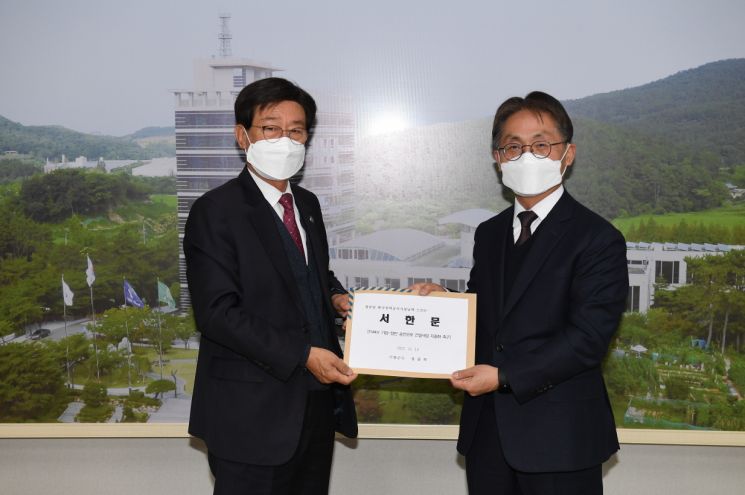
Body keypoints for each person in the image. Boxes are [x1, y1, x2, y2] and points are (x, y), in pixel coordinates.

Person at [414, 91, 628, 494]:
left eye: (541, 144)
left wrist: (504, 376)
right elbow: (488, 312)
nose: (526, 155)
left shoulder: (598, 238)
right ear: (498, 158)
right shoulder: (490, 233)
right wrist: (447, 305)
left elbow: (588, 339)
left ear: (568, 154)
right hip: (488, 433)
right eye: (513, 146)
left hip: (560, 438)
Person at [183, 77, 357, 495]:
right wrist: (301, 355)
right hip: (250, 413)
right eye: (271, 127)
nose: (285, 139)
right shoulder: (215, 211)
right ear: (243, 135)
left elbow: (310, 273)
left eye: (296, 130)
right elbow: (218, 313)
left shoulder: (308, 205)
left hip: (315, 406)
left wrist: (335, 297)